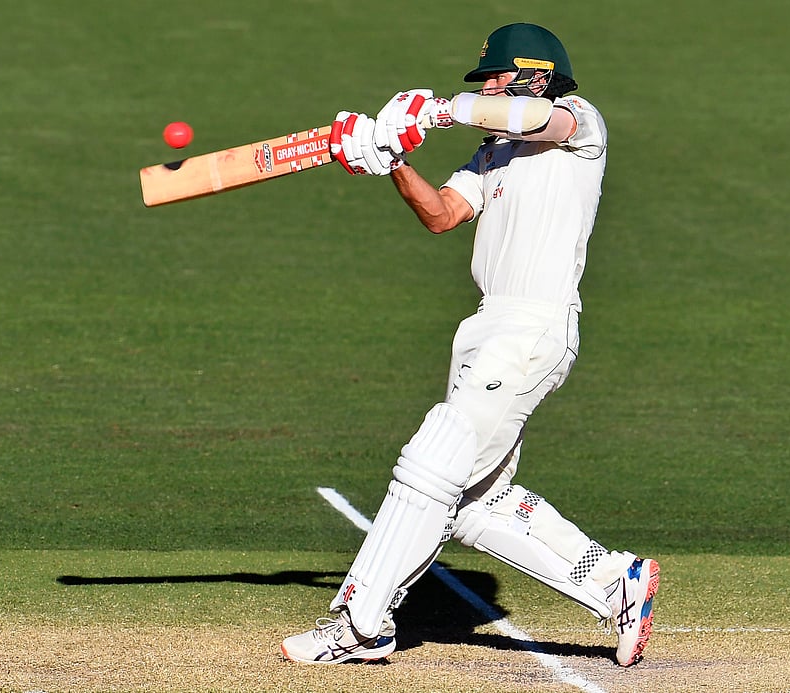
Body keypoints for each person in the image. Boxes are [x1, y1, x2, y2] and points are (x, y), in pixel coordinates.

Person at [280, 22, 659, 668]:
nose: (483, 87)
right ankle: (612, 578)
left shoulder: (577, 123)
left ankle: (361, 622)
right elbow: (441, 214)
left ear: (534, 74)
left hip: (532, 327)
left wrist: (434, 110)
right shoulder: (491, 156)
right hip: (485, 331)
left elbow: (538, 119)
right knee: (476, 504)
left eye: (492, 76)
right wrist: (392, 160)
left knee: (432, 459)